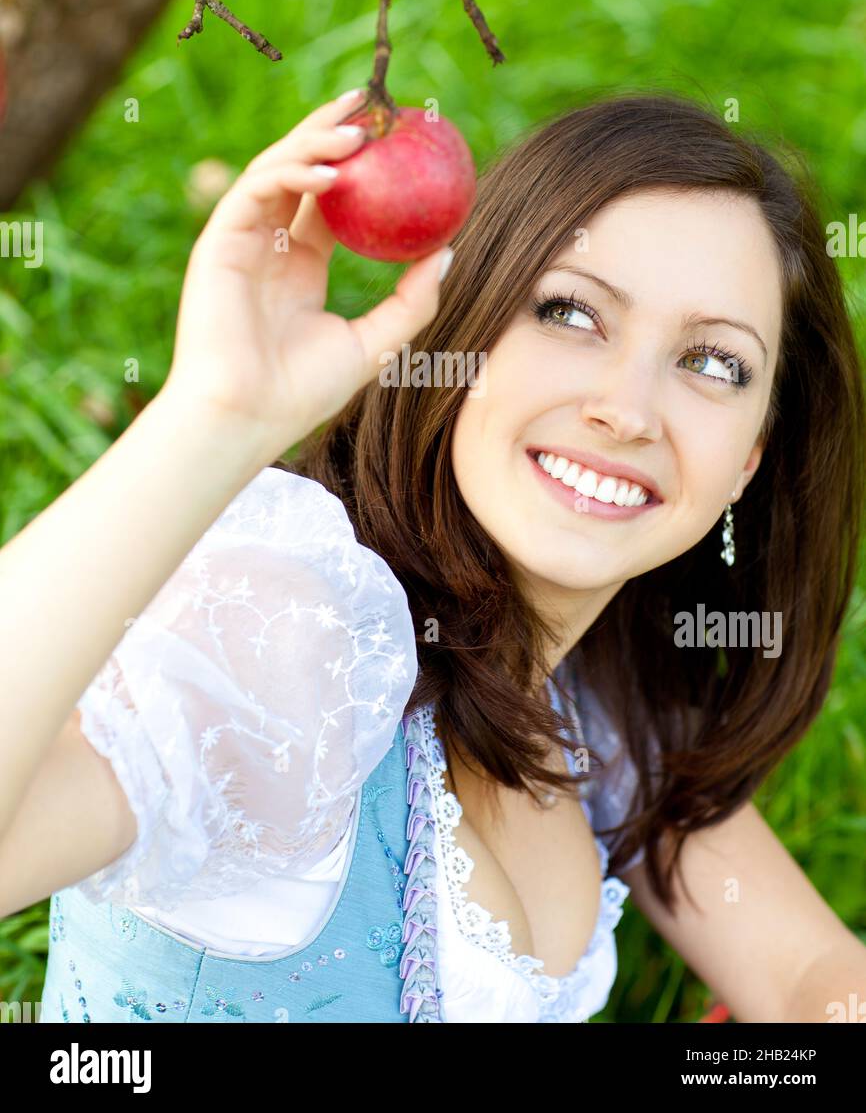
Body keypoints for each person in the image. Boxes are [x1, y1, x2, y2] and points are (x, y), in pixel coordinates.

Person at [1, 88, 864, 1023]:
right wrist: (209, 421)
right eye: (572, 313)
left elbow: (808, 980)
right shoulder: (294, 646)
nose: (629, 408)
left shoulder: (594, 708)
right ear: (461, 328)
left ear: (749, 459)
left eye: (712, 362)